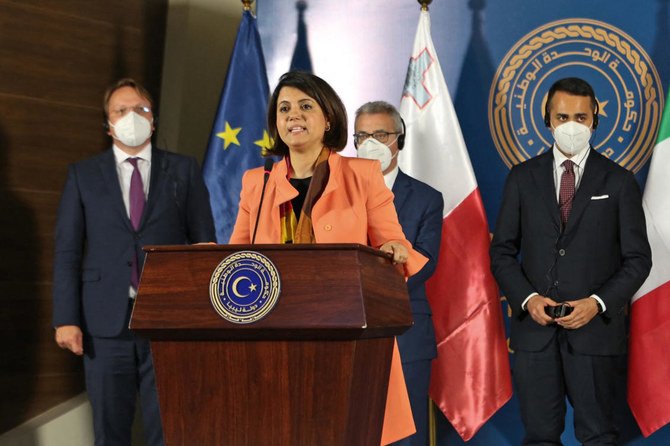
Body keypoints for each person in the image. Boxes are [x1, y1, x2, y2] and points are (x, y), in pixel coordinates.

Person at [229, 71, 427, 444]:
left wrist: (394, 252)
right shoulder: (257, 182)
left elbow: (394, 244)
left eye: (306, 106)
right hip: (274, 337)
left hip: (345, 335)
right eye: (284, 109)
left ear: (328, 119)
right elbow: (237, 260)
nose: (293, 116)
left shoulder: (363, 175)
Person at [52, 78, 215, 446]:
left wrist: (201, 317)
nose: (131, 117)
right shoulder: (83, 175)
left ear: (153, 121)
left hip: (168, 320)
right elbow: (67, 251)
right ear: (107, 124)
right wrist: (66, 319)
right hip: (104, 323)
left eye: (140, 109)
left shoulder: (184, 169)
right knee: (110, 431)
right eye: (121, 111)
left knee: (170, 429)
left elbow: (204, 245)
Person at [490, 77, 651, 445]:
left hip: (596, 336)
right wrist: (528, 300)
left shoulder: (620, 181)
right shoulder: (522, 177)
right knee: (540, 436)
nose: (572, 126)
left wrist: (597, 304)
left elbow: (638, 260)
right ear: (547, 119)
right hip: (535, 338)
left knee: (599, 435)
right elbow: (501, 252)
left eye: (581, 116)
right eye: (563, 116)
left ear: (595, 119)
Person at [354, 100, 443, 446]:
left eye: (380, 134)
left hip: (406, 331)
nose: (370, 142)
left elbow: (424, 260)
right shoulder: (334, 193)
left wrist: (371, 288)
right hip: (343, 332)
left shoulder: (426, 198)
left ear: (399, 139)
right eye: (362, 135)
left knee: (406, 436)